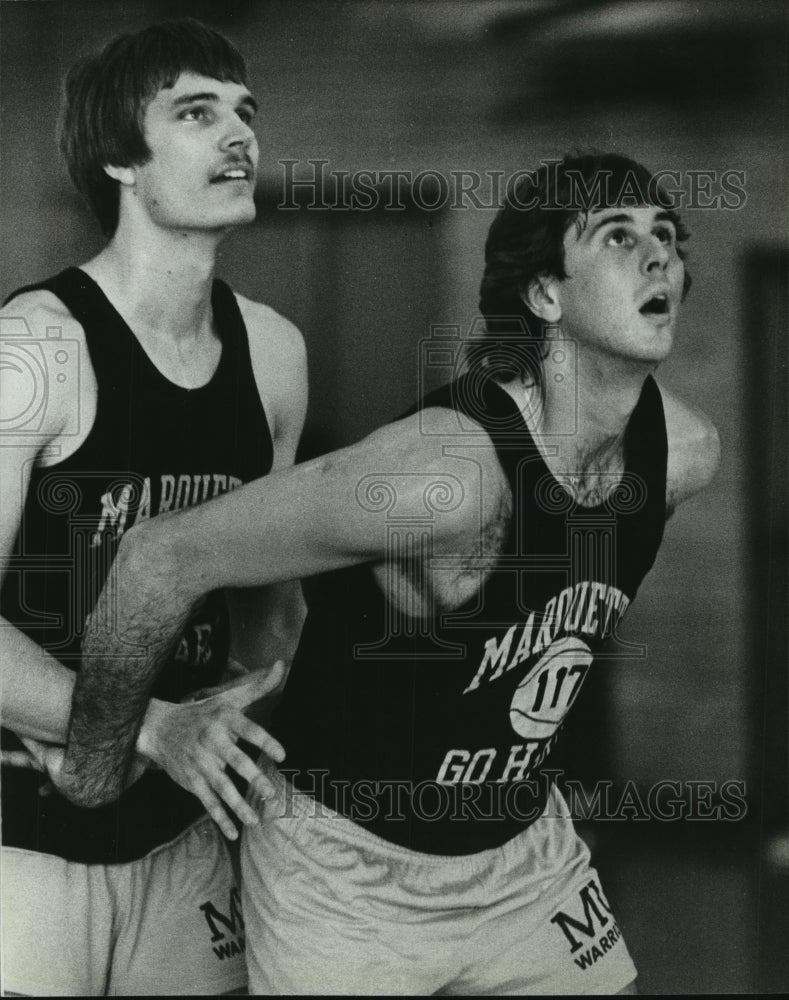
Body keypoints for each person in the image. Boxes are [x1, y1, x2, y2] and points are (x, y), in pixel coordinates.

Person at [50, 153, 719, 994]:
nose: (659, 256)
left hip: (520, 855)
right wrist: (96, 769)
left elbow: (536, 621)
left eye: (665, 236)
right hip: (345, 871)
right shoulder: (439, 475)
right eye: (618, 237)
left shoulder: (683, 456)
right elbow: (160, 556)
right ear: (545, 296)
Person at [0, 18, 307, 997]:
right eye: (197, 111)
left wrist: (245, 704)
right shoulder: (35, 347)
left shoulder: (276, 352)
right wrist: (149, 726)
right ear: (124, 159)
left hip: (184, 836)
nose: (240, 135)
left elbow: (272, 603)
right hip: (26, 838)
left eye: (245, 112)